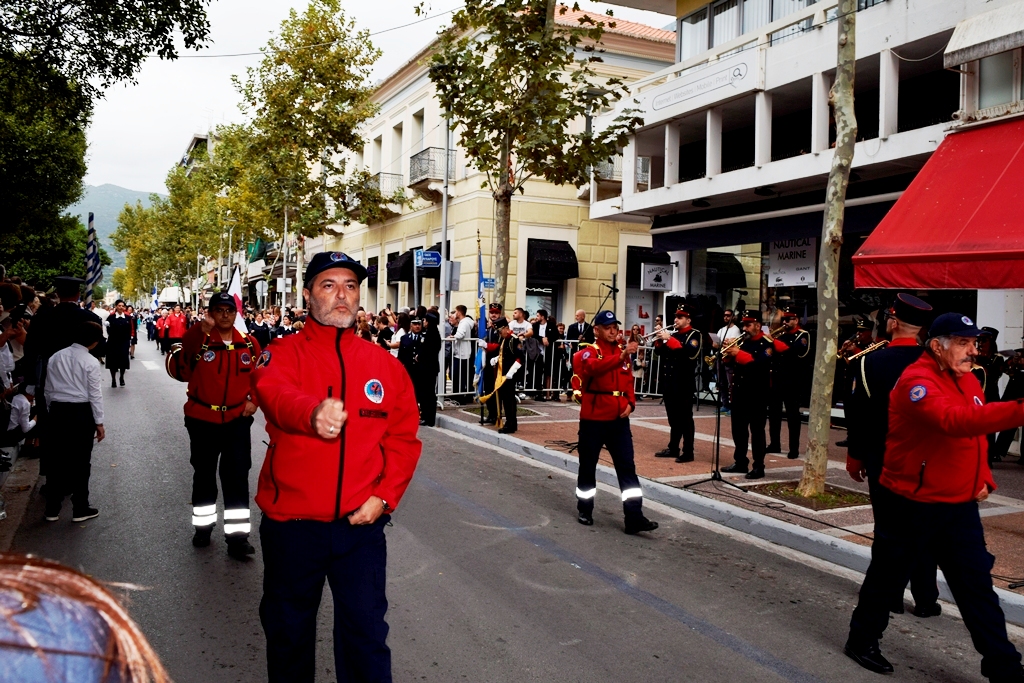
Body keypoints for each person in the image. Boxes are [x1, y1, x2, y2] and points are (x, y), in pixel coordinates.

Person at [251, 251, 422, 683]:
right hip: (292, 526)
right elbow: (274, 393)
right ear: (307, 294)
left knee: (366, 636)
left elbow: (403, 441)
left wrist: (384, 497)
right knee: (288, 636)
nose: (341, 295)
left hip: (360, 528)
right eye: (328, 285)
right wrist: (312, 414)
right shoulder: (281, 353)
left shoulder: (386, 367)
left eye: (349, 285)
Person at [845, 313, 1024, 681]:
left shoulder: (970, 379)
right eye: (963, 342)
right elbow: (954, 422)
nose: (972, 351)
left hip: (957, 505)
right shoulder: (916, 382)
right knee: (888, 578)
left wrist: (983, 476)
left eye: (974, 343)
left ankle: (1004, 667)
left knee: (977, 587)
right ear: (937, 345)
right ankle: (862, 640)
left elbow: (976, 434)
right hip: (910, 503)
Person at [844, 293, 938, 617]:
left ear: (893, 322)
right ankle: (926, 597)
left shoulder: (869, 362)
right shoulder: (936, 364)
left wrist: (855, 456)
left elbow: (860, 416)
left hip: (884, 457)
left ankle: (891, 595)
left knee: (887, 530)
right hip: (928, 461)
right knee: (923, 528)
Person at [180, 292, 261, 560]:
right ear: (211, 313)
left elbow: (262, 378)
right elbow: (186, 349)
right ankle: (203, 529)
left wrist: (255, 401)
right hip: (202, 421)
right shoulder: (199, 340)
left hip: (237, 422)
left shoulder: (249, 344)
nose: (224, 314)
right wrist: (200, 329)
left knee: (237, 478)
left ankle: (238, 540)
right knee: (204, 476)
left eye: (229, 310)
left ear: (236, 313)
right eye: (219, 310)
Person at [572, 311, 658, 534]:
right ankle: (585, 508)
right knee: (588, 466)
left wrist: (631, 402)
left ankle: (634, 517)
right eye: (607, 327)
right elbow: (591, 368)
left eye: (615, 327)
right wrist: (618, 358)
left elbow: (628, 380)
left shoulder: (622, 353)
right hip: (593, 420)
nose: (613, 331)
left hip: (619, 421)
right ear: (596, 330)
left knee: (627, 467)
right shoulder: (587, 352)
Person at [42, 321, 104, 522]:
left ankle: (52, 508)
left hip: (58, 410)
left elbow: (48, 389)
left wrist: (53, 410)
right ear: (94, 341)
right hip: (80, 412)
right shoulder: (91, 362)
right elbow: (95, 394)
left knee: (56, 460)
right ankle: (80, 507)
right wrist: (99, 422)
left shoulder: (56, 357)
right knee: (80, 461)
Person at [721, 311, 773, 479]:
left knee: (757, 431)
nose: (745, 328)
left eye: (748, 325)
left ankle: (759, 465)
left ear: (758, 325)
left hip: (757, 393)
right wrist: (727, 354)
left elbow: (758, 364)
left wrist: (737, 353)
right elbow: (731, 363)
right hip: (740, 393)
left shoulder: (767, 343)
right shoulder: (743, 342)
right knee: (739, 430)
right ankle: (740, 461)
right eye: (743, 325)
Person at [652, 306, 702, 463]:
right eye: (675, 317)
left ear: (688, 320)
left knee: (686, 419)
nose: (675, 320)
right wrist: (660, 340)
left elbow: (689, 354)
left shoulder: (695, 335)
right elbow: (660, 353)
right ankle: (673, 447)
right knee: (673, 418)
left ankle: (688, 451)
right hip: (669, 383)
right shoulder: (673, 335)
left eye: (680, 317)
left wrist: (668, 339)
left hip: (683, 383)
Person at [767, 309, 810, 459]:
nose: (785, 322)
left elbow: (796, 352)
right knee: (774, 413)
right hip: (777, 378)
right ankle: (774, 444)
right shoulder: (782, 335)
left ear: (796, 320)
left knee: (793, 415)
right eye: (784, 319)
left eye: (789, 319)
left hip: (793, 380)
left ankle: (794, 448)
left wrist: (773, 340)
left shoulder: (803, 335)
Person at [487, 317, 523, 434]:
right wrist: (496, 359)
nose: (499, 333)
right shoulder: (504, 340)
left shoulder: (514, 340)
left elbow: (520, 357)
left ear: (506, 329)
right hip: (503, 373)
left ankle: (510, 424)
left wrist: (512, 371)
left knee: (509, 400)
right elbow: (505, 354)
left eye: (500, 330)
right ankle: (511, 422)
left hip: (510, 374)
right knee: (506, 399)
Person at [417, 311, 442, 427]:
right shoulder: (429, 333)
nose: (424, 322)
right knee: (424, 393)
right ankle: (426, 416)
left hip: (429, 368)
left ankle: (429, 418)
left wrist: (419, 357)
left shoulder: (432, 334)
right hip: (426, 367)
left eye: (425, 320)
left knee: (428, 394)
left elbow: (429, 351)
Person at [714, 309, 741, 414]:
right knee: (722, 383)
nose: (726, 317)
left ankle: (733, 406)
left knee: (731, 384)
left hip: (730, 359)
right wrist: (716, 344)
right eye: (724, 315)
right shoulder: (721, 329)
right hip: (721, 357)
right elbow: (715, 343)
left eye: (728, 315)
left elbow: (733, 343)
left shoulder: (736, 329)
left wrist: (722, 344)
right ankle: (725, 405)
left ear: (733, 317)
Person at [482, 303, 505, 424]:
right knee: (488, 388)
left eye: (496, 313)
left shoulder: (501, 328)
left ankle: (497, 414)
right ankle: (490, 413)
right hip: (488, 362)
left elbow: (499, 346)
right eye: (491, 312)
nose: (493, 315)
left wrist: (487, 346)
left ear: (499, 313)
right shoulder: (489, 328)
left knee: (496, 390)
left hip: (498, 362)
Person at [105, 300, 132, 388]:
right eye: (119, 305)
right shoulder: (111, 317)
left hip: (124, 343)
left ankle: (121, 377)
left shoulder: (128, 318)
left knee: (123, 361)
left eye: (122, 306)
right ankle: (113, 379)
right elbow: (108, 330)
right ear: (116, 306)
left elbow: (130, 330)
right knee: (112, 362)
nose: (121, 307)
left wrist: (129, 340)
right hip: (113, 342)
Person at [452, 305, 476, 402]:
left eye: (455, 312)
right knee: (461, 376)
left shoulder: (464, 323)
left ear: (459, 312)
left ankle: (460, 397)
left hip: (462, 353)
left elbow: (460, 335)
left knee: (459, 376)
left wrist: (453, 337)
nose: (454, 314)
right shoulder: (466, 322)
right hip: (463, 353)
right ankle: (461, 396)